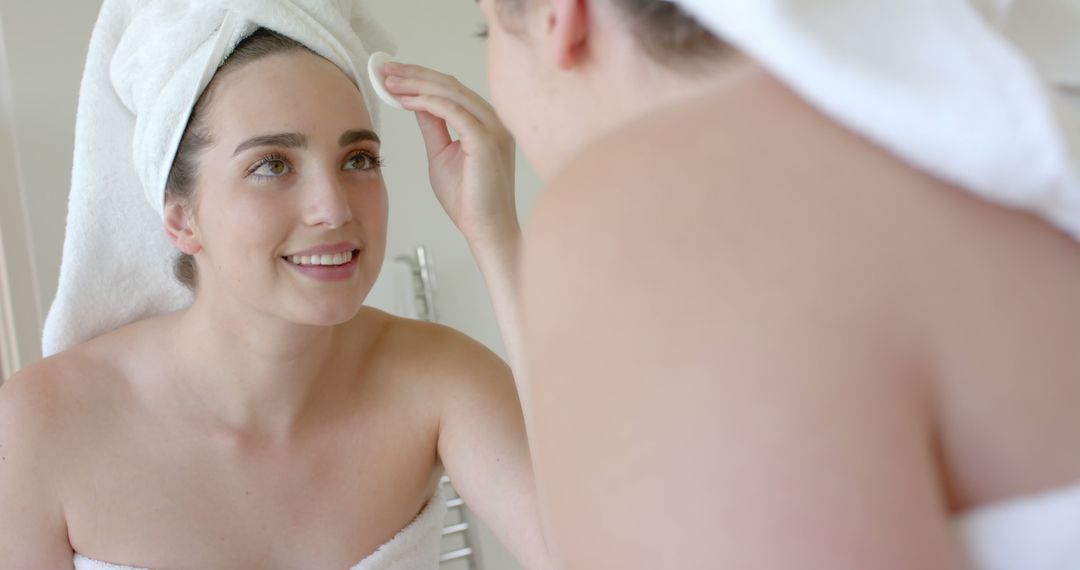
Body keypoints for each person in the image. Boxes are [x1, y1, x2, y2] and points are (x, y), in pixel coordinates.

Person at [382, 0, 1080, 567]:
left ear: (561, 15)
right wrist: (496, 237)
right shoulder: (994, 139)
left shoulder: (657, 196)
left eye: (487, 28)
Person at [0, 3, 550, 568]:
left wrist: (495, 234)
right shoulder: (34, 430)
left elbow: (596, 545)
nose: (333, 208)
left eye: (358, 158)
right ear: (180, 218)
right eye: (272, 165)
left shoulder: (440, 382)